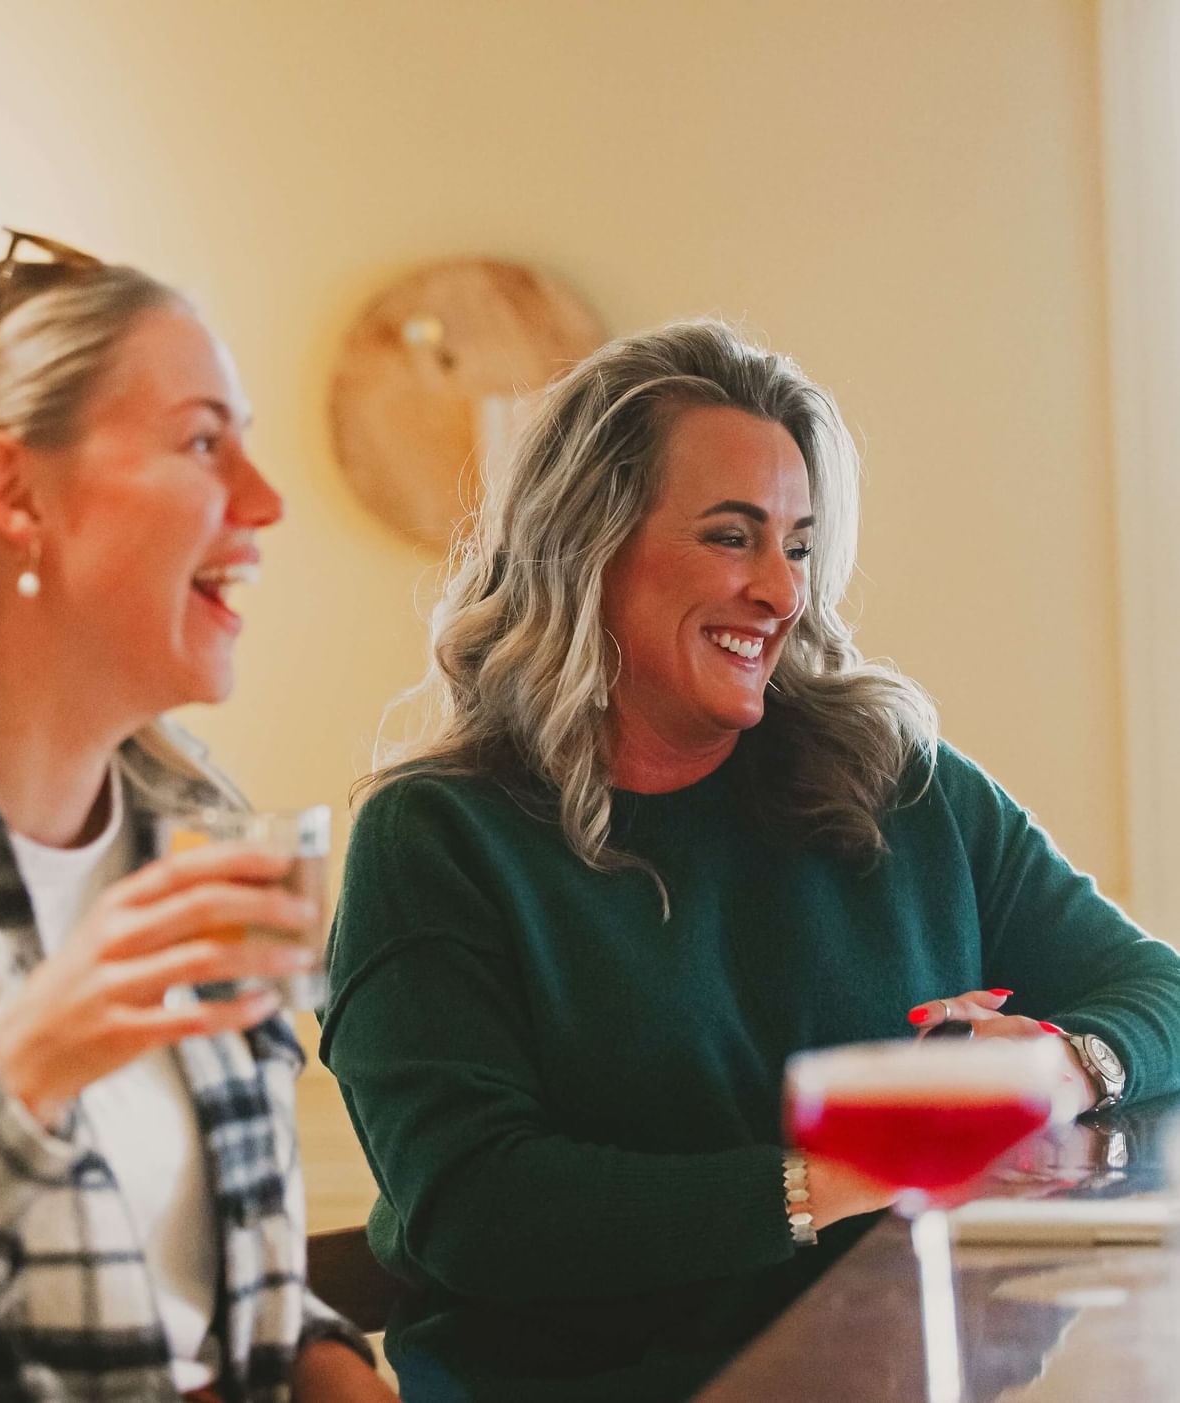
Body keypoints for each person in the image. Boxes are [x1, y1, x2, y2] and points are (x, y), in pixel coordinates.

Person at [319, 318, 1180, 1403]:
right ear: (590, 550)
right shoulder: (437, 838)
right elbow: (478, 1209)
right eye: (732, 537)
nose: (782, 592)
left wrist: (1059, 1066)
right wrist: (851, 1164)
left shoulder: (897, 782)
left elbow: (1159, 988)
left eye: (798, 544)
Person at [0, 231, 398, 1403]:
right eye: (204, 441)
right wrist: (23, 1061)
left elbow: (197, 1282)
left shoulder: (187, 820)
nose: (265, 502)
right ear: (13, 489)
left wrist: (328, 1367)